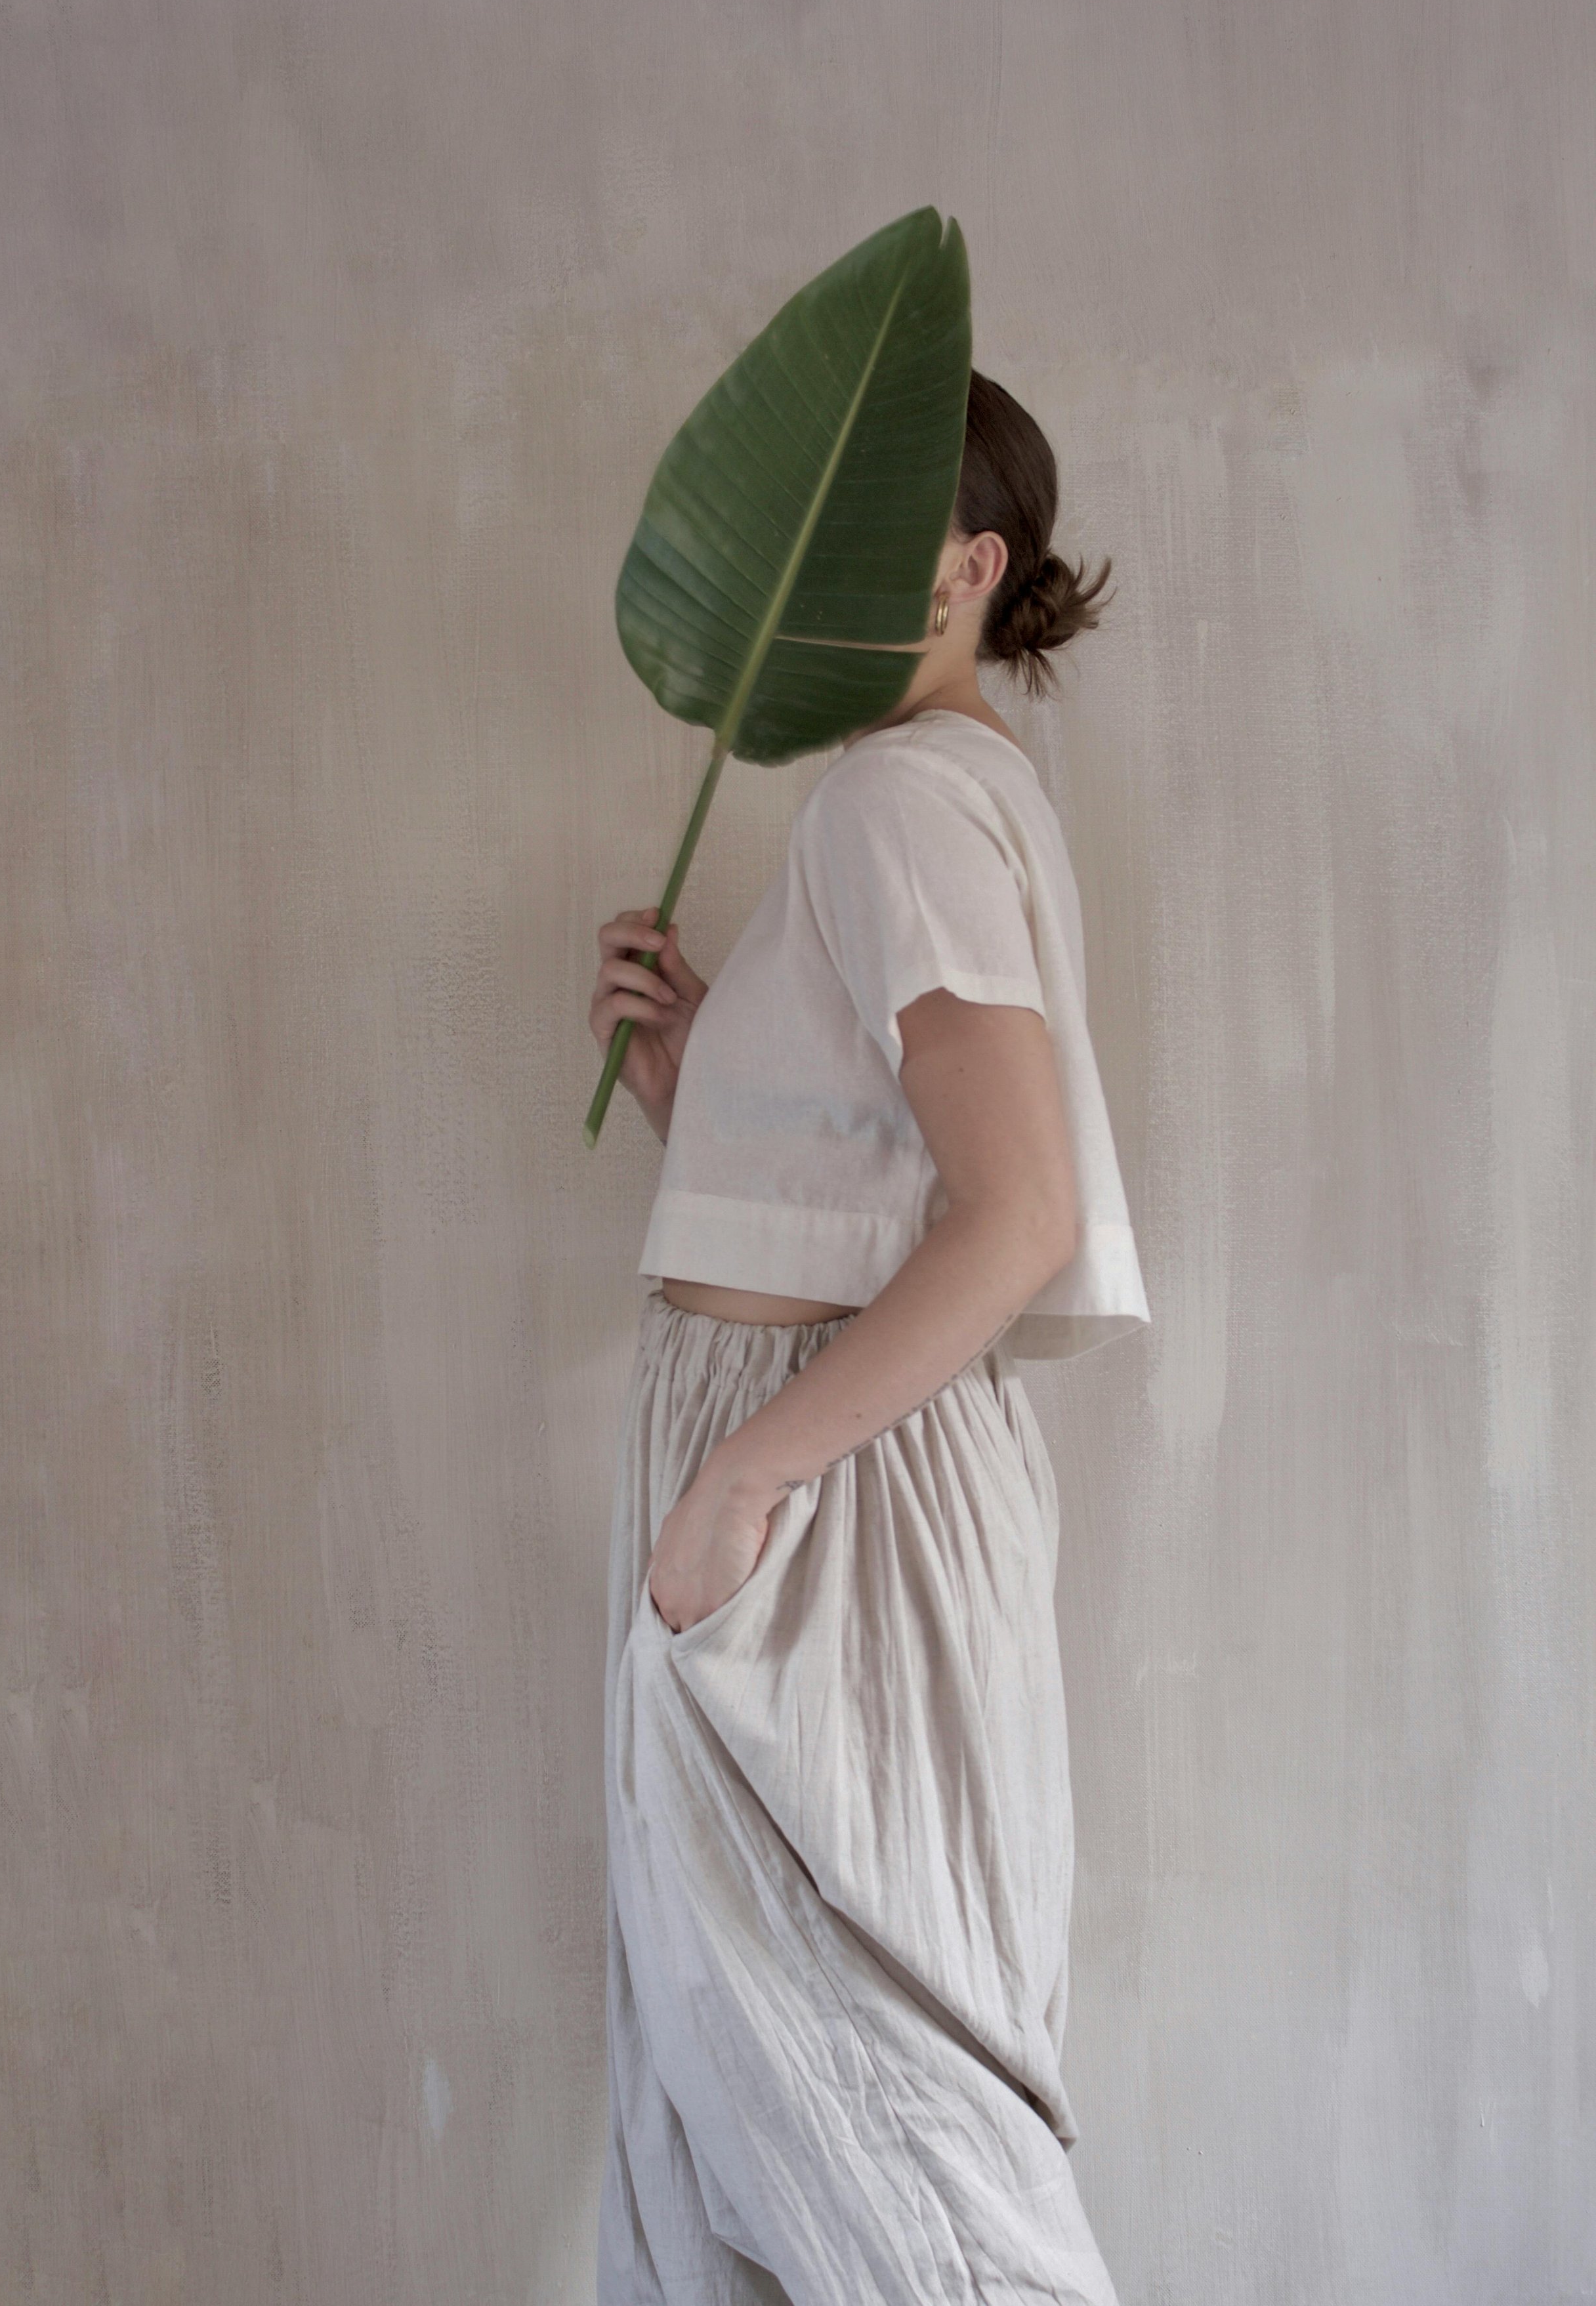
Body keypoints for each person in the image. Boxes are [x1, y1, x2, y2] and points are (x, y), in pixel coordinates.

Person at [587, 371, 1150, 2305]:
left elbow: (1019, 1213)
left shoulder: (893, 800)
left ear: (969, 569)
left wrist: (737, 1484)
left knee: (882, 2136)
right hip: (842, 1488)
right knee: (787, 2113)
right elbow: (900, 1202)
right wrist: (707, 1087)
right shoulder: (944, 791)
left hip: (821, 1507)